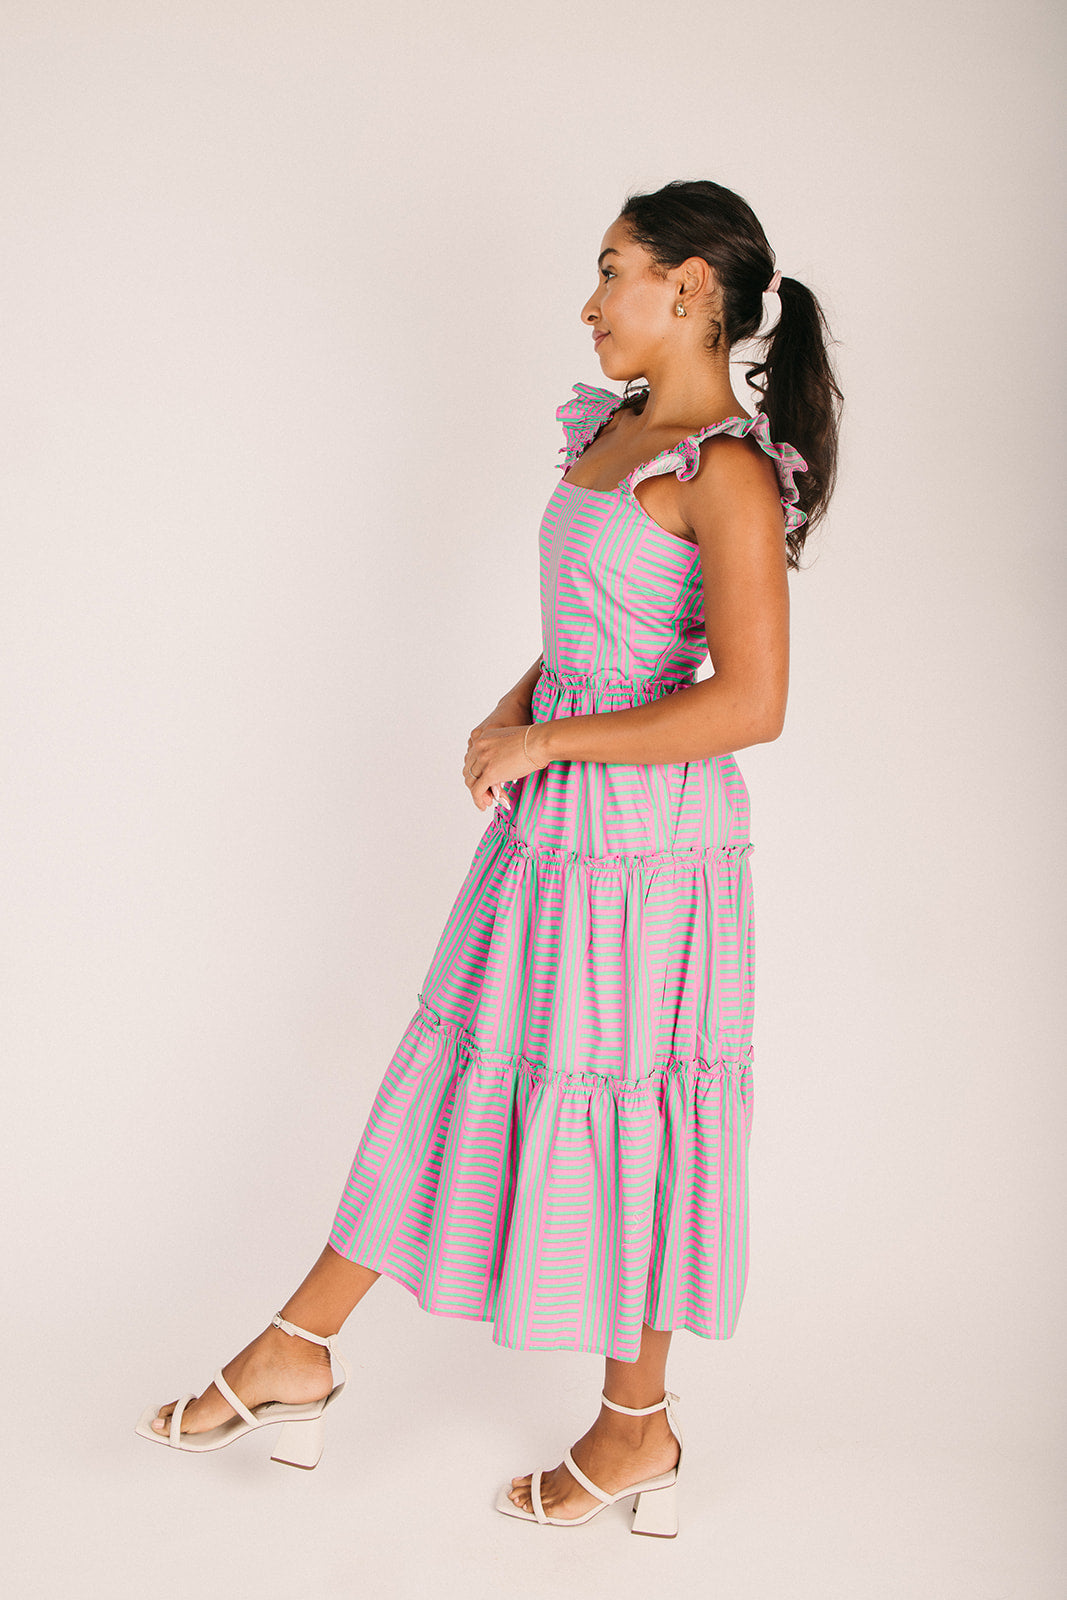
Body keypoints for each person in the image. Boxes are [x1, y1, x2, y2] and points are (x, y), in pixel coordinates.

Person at [136, 178, 842, 1537]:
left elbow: (752, 703)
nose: (591, 302)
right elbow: (598, 628)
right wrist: (516, 711)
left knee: (633, 1112)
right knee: (455, 1069)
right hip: (556, 823)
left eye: (614, 270)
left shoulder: (729, 472)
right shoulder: (617, 430)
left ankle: (629, 1426)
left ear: (691, 287)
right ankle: (302, 1345)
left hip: (648, 850)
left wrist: (548, 744)